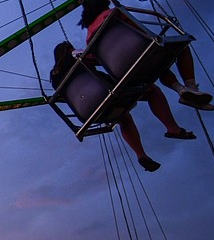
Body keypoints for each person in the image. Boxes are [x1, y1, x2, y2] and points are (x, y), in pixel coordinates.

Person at [81, 0, 214, 109]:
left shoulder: (89, 37)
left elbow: (96, 58)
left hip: (123, 71)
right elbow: (139, 31)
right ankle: (191, 86)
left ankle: (181, 90)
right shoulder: (112, 14)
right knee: (182, 48)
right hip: (139, 53)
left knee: (157, 68)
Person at [50, 41, 170, 172]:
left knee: (124, 118)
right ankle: (172, 127)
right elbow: (101, 57)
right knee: (152, 90)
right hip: (106, 94)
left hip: (88, 111)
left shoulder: (54, 76)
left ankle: (142, 156)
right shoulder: (75, 55)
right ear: (68, 49)